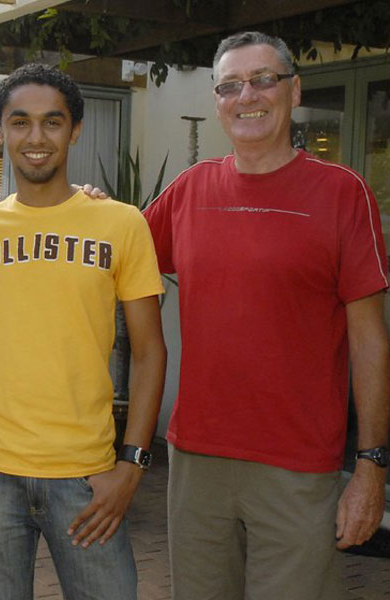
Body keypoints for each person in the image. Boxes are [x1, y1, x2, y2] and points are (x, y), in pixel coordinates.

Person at [143, 31, 390, 600]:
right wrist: (85, 209)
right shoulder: (190, 189)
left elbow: (370, 340)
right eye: (229, 85)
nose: (246, 96)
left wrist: (371, 465)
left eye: (262, 80)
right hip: (197, 461)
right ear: (217, 101)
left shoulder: (342, 192)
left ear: (293, 90)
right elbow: (116, 255)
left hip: (297, 466)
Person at [0, 63, 167, 600]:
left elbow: (149, 352)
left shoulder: (120, 223)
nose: (36, 137)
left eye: (52, 121)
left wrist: (132, 464)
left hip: (88, 475)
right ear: (1, 131)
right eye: (20, 121)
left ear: (75, 130)